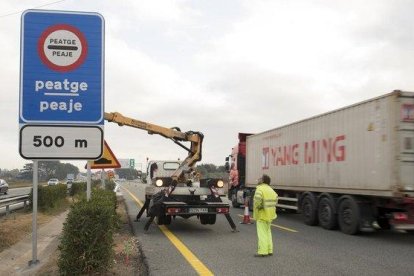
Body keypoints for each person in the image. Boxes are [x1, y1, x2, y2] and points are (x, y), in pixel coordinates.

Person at [253, 174, 278, 257]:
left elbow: (257, 201)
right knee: (268, 233)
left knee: (262, 234)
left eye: (260, 178)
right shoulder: (271, 190)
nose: (258, 179)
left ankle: (263, 251)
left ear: (263, 181)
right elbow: (276, 201)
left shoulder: (260, 189)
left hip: (262, 215)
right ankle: (269, 250)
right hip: (270, 215)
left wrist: (259, 207)